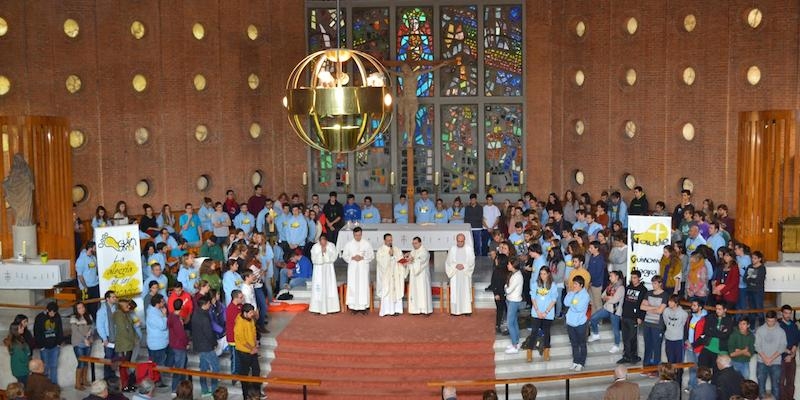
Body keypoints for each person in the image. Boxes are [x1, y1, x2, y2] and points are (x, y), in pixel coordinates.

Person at [524, 266, 559, 362]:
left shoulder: (553, 285)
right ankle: (529, 351)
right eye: (541, 274)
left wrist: (546, 312)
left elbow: (553, 300)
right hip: (537, 312)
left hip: (548, 313)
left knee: (547, 332)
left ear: (548, 274)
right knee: (534, 331)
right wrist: (538, 311)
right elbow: (533, 298)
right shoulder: (535, 284)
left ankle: (546, 350)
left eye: (544, 274)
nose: (542, 276)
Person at [589, 270, 624, 353]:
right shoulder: (610, 286)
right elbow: (602, 295)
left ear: (617, 277)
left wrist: (608, 298)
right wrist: (609, 297)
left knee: (615, 329)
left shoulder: (621, 287)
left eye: (611, 276)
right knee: (593, 318)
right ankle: (596, 334)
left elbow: (614, 300)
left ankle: (616, 345)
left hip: (615, 311)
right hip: (607, 308)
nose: (609, 277)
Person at [641, 275, 670, 372]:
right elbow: (642, 307)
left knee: (657, 346)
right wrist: (654, 308)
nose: (653, 285)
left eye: (655, 283)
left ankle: (656, 368)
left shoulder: (664, 295)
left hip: (657, 325)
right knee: (647, 345)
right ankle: (646, 366)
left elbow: (660, 311)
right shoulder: (648, 293)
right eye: (652, 283)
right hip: (647, 323)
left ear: (660, 284)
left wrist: (649, 307)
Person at [756, 310, 788, 399]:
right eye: (769, 321)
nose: (770, 323)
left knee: (776, 386)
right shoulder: (760, 330)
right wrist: (765, 358)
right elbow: (757, 346)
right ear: (766, 319)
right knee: (761, 387)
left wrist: (771, 359)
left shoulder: (781, 331)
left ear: (776, 320)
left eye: (773, 321)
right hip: (761, 362)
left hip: (776, 362)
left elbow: (782, 347)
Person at [192, 295, 220, 396]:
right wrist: (214, 343)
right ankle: (214, 391)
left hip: (199, 345)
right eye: (209, 303)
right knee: (215, 367)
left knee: (203, 368)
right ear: (205, 304)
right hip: (206, 346)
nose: (210, 305)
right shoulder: (204, 317)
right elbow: (209, 333)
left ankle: (204, 390)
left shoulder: (195, 313)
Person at [343, 227, 374, 314]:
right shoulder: (349, 244)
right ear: (353, 235)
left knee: (363, 285)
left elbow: (371, 255)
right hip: (353, 267)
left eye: (359, 235)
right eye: (356, 235)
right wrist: (352, 257)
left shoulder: (366, 244)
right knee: (353, 285)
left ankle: (363, 307)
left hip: (363, 267)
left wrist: (362, 257)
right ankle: (353, 307)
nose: (358, 237)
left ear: (362, 234)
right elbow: (344, 255)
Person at [618, 269, 647, 365]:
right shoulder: (628, 287)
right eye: (632, 277)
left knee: (632, 338)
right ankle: (626, 356)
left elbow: (643, 305)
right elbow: (625, 301)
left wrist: (640, 317)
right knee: (625, 337)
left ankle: (633, 356)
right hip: (625, 315)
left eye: (635, 278)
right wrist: (622, 313)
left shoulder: (643, 290)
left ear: (639, 278)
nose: (633, 279)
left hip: (634, 317)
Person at [376, 233, 407, 316]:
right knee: (387, 291)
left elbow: (401, 260)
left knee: (396, 290)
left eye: (391, 240)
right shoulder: (381, 250)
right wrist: (389, 256)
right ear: (384, 240)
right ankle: (387, 310)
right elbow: (381, 263)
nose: (390, 242)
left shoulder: (396, 249)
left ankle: (396, 309)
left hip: (396, 274)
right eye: (388, 240)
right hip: (387, 276)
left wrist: (406, 260)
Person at [446, 233, 476, 315]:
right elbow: (448, 262)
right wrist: (456, 265)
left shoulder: (469, 249)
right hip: (455, 273)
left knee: (465, 291)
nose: (460, 243)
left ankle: (466, 310)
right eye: (458, 241)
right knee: (455, 292)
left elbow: (472, 261)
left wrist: (464, 266)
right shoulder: (452, 249)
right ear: (456, 240)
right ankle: (455, 311)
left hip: (465, 274)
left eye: (462, 241)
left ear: (464, 240)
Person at [309, 235, 341, 314]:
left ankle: (331, 308)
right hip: (318, 271)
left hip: (328, 270)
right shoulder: (315, 247)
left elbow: (334, 257)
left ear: (326, 241)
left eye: (324, 243)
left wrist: (326, 252)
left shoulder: (331, 246)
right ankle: (317, 308)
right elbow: (314, 259)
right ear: (319, 241)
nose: (323, 244)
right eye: (321, 243)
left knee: (329, 287)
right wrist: (321, 253)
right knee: (318, 289)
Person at [565, 275, 590, 371]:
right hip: (570, 322)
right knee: (574, 343)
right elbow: (566, 303)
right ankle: (575, 361)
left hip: (580, 323)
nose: (574, 286)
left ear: (581, 285)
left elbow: (579, 308)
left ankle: (581, 363)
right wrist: (571, 295)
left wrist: (572, 305)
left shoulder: (585, 295)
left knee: (582, 343)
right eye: (573, 283)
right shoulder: (572, 292)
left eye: (576, 284)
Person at [661, 294, 688, 385]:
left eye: (671, 301)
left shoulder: (683, 313)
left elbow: (683, 324)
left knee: (679, 363)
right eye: (669, 301)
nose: (669, 303)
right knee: (670, 362)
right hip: (669, 338)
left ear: (676, 303)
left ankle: (678, 383)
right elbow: (665, 322)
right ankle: (670, 381)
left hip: (678, 340)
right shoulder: (666, 311)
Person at [698, 303, 734, 371]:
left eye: (719, 309)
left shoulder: (729, 321)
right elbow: (706, 331)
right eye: (716, 309)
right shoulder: (711, 317)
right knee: (701, 370)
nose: (717, 311)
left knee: (717, 374)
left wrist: (713, 331)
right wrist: (719, 332)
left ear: (725, 310)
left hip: (719, 351)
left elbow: (725, 336)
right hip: (707, 348)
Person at [34, 301, 63, 385]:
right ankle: (46, 386)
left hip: (55, 346)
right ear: (47, 310)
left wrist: (58, 343)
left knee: (54, 366)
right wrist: (41, 346)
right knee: (45, 367)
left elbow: (60, 330)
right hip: (44, 347)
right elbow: (37, 332)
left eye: (54, 312)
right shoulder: (39, 317)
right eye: (51, 312)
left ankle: (54, 386)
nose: (53, 314)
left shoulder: (57, 316)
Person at [235, 303, 260, 396]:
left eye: (252, 313)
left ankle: (256, 391)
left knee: (256, 370)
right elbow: (242, 340)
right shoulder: (239, 323)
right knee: (244, 373)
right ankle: (245, 394)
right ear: (244, 313)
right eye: (250, 313)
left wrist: (256, 343)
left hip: (252, 349)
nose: (252, 315)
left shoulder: (250, 319)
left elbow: (254, 331)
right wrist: (251, 348)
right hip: (243, 351)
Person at [71, 301, 94, 390]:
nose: (82, 309)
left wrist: (90, 333)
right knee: (80, 363)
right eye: (79, 308)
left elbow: (92, 327)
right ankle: (77, 384)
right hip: (78, 343)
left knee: (86, 362)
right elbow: (75, 332)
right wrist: (84, 339)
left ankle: (84, 380)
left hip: (88, 342)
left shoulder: (89, 316)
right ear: (76, 310)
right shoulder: (74, 318)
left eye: (83, 307)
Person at [406, 236, 432, 315]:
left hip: (422, 275)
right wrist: (407, 258)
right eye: (413, 243)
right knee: (415, 292)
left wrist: (412, 259)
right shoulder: (413, 251)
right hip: (414, 276)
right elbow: (410, 259)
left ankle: (425, 310)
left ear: (420, 243)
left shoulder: (424, 251)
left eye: (416, 243)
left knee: (422, 291)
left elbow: (422, 260)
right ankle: (415, 310)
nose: (414, 245)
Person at [686, 299, 708, 391]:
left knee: (700, 369)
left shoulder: (705, 319)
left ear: (700, 307)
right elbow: (686, 329)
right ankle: (691, 386)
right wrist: (686, 340)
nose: (692, 307)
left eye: (694, 305)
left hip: (699, 348)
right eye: (692, 305)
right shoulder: (691, 317)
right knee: (692, 368)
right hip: (689, 347)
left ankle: (699, 387)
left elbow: (704, 335)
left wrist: (693, 345)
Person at [778, 304, 799, 400]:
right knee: (781, 381)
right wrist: (786, 353)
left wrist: (792, 354)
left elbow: (796, 341)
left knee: (791, 381)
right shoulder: (777, 325)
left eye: (789, 313)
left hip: (792, 356)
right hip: (781, 357)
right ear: (781, 313)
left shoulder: (794, 325)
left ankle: (790, 398)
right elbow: (776, 342)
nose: (788, 315)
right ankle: (782, 398)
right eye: (786, 313)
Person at [504, 256, 524, 354]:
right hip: (510, 299)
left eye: (509, 264)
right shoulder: (514, 274)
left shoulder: (517, 276)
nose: (507, 265)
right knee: (514, 321)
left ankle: (514, 345)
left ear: (513, 265)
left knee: (509, 323)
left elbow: (508, 289)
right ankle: (516, 341)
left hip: (513, 301)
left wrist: (505, 287)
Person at [76, 241, 100, 318]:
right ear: (90, 248)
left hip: (95, 284)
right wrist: (85, 287)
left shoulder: (93, 257)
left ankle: (95, 321)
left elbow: (95, 270)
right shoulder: (81, 260)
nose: (96, 249)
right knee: (87, 306)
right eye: (94, 248)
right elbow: (80, 275)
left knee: (95, 305)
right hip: (87, 287)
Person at [4, 318, 31, 384]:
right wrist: (28, 355)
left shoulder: (17, 339)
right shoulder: (16, 344)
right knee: (24, 389)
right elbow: (23, 358)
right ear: (15, 330)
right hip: (22, 370)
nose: (23, 328)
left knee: (22, 387)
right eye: (21, 327)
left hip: (18, 370)